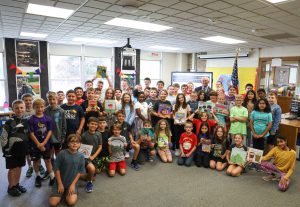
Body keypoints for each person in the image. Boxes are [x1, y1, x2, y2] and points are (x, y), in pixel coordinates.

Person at [1, 100, 29, 196]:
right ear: (13, 109)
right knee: (12, 168)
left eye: (21, 107)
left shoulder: (26, 121)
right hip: (11, 150)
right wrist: (5, 150)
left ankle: (16, 184)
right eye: (16, 108)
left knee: (19, 167)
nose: (19, 110)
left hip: (22, 149)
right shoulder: (9, 122)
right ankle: (11, 187)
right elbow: (4, 137)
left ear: (25, 108)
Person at [49, 134, 85, 207]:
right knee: (53, 203)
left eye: (77, 142)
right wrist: (60, 184)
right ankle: (60, 191)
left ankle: (67, 192)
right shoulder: (62, 153)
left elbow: (79, 172)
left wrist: (73, 185)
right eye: (72, 141)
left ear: (80, 144)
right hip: (60, 181)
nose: (75, 143)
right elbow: (57, 169)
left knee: (71, 202)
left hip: (71, 182)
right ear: (68, 143)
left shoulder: (81, 156)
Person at [28, 98, 55, 187]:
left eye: (41, 107)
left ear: (44, 107)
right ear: (33, 107)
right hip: (34, 145)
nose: (39, 109)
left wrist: (43, 143)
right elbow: (31, 133)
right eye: (37, 107)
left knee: (48, 160)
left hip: (46, 144)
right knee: (36, 162)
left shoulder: (48, 119)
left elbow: (50, 131)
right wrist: (38, 144)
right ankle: (38, 176)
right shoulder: (31, 120)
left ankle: (52, 177)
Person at [44, 91, 66, 180]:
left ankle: (59, 170)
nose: (52, 101)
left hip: (58, 137)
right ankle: (50, 171)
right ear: (47, 100)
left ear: (57, 99)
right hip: (47, 138)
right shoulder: (45, 110)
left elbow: (64, 125)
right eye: (50, 99)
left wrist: (63, 136)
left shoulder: (61, 111)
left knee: (58, 155)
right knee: (49, 156)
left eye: (54, 99)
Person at [80, 117, 102, 193]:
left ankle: (82, 175)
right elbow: (81, 148)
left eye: (96, 124)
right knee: (92, 169)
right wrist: (87, 157)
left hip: (95, 157)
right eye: (92, 124)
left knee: (94, 175)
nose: (94, 126)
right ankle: (89, 183)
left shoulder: (98, 134)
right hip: (86, 157)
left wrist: (93, 156)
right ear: (88, 124)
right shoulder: (84, 135)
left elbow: (100, 146)